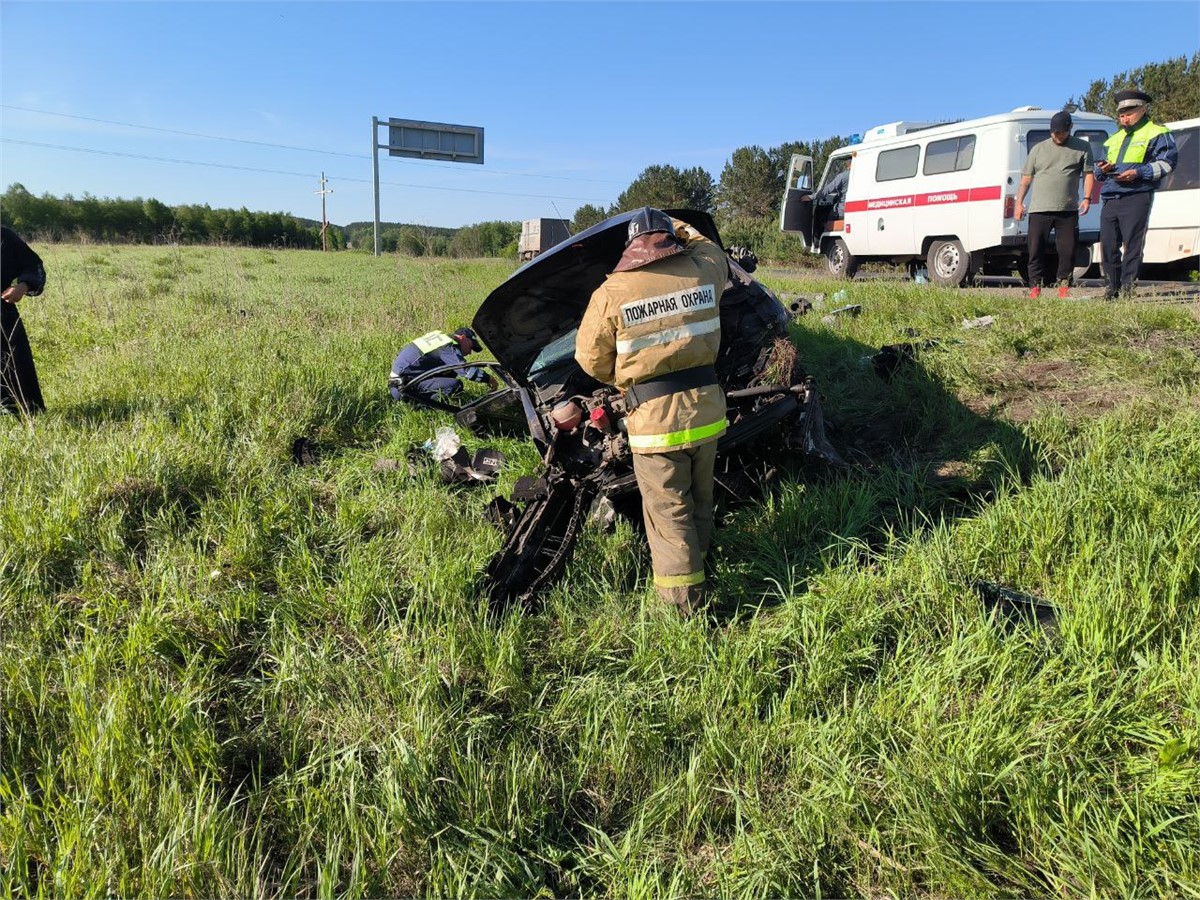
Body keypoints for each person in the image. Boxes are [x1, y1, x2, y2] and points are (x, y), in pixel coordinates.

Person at [575, 208, 729, 618]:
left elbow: (589, 359)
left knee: (668, 517)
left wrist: (628, 380)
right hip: (707, 413)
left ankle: (683, 611)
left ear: (631, 247)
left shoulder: (613, 292)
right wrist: (680, 226)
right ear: (669, 239)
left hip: (655, 426)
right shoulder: (702, 271)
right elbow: (713, 248)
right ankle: (703, 565)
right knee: (700, 501)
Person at [1095, 89, 1178, 299]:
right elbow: (1097, 172)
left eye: (1129, 113)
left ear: (1142, 109)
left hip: (1137, 195)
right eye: (1121, 114)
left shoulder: (1157, 132)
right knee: (1108, 245)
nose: (1125, 118)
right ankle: (1111, 289)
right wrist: (1101, 170)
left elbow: (1168, 163)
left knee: (1132, 245)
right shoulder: (1113, 138)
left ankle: (1127, 290)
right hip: (1111, 196)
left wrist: (1138, 172)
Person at [1015, 110, 1095, 299]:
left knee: (1067, 251)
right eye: (1054, 133)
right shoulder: (1038, 149)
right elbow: (1026, 179)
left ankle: (1063, 288)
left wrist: (1087, 197)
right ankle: (1035, 288)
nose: (1057, 136)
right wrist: (1018, 203)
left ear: (1070, 129)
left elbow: (1089, 174)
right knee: (1035, 250)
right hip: (1039, 209)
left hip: (1067, 210)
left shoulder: (1082, 147)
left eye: (1061, 133)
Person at [1, 225, 47, 415]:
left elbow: (33, 266)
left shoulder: (4, 238)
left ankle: (24, 410)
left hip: (2, 315)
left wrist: (23, 285)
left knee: (14, 362)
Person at [389, 326, 494, 403]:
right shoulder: (447, 345)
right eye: (471, 347)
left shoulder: (440, 339)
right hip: (404, 388)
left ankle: (422, 401)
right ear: (463, 338)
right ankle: (420, 406)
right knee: (455, 385)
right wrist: (488, 379)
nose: (470, 352)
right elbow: (466, 371)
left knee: (451, 372)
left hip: (400, 383)